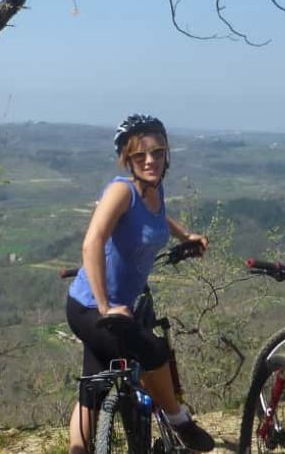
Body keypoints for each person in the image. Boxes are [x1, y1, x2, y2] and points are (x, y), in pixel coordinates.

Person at [64, 114, 215, 454]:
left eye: (158, 153)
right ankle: (180, 422)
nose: (150, 161)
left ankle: (78, 448)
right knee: (153, 351)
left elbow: (158, 218)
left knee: (94, 385)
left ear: (166, 155)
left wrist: (185, 235)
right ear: (126, 160)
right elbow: (92, 242)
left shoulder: (154, 189)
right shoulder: (123, 190)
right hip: (90, 307)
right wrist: (105, 307)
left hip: (114, 307)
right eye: (140, 155)